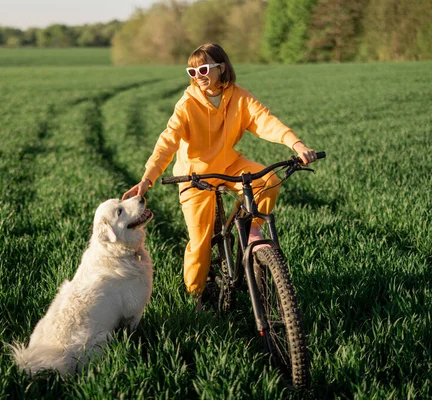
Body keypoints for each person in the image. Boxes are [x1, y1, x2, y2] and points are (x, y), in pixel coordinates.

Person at [122, 43, 318, 304]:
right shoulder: (187, 105)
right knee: (200, 244)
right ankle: (196, 297)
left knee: (268, 181)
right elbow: (167, 142)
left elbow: (265, 120)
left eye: (203, 69)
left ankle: (251, 230)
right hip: (194, 176)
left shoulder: (238, 96)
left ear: (221, 68)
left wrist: (296, 144)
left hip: (229, 164)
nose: (198, 76)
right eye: (192, 71)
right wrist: (148, 178)